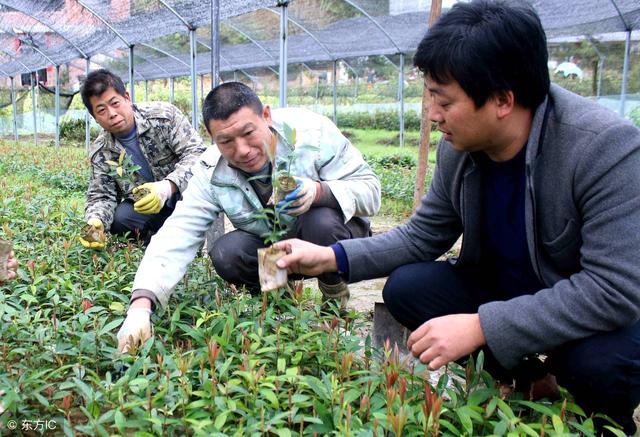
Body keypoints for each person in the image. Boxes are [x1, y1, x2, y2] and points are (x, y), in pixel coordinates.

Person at [273, 1, 640, 434]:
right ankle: (528, 383)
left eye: (444, 101)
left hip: (590, 301)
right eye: (430, 97)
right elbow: (420, 237)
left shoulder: (604, 149)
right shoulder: (460, 148)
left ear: (503, 99)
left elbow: (613, 289)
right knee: (410, 288)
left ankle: (602, 421)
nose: (432, 115)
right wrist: (330, 257)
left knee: (597, 363)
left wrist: (483, 325)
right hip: (510, 284)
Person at [116, 82, 381, 350]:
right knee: (227, 252)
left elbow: (371, 191)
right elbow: (178, 232)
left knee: (320, 222)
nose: (242, 150)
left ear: (266, 116)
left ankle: (334, 301)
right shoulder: (210, 171)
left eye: (248, 133)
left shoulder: (313, 135)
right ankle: (284, 309)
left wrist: (318, 192)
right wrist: (141, 305)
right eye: (226, 141)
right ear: (211, 137)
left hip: (333, 238)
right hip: (275, 248)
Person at [79, 69, 206, 248]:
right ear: (94, 118)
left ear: (127, 98)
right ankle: (155, 247)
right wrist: (95, 221)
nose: (112, 113)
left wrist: (167, 187)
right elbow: (101, 195)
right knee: (121, 219)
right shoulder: (102, 152)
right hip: (148, 208)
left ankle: (190, 244)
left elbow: (197, 153)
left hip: (185, 196)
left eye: (114, 103)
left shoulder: (163, 117)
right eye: (101, 110)